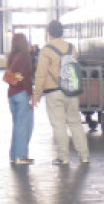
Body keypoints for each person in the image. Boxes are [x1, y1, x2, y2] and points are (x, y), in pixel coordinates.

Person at [30, 20, 90, 165]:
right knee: (75, 123)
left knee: (59, 125)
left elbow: (41, 75)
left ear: (49, 33)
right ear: (62, 32)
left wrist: (36, 96)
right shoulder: (71, 48)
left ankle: (63, 157)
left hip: (53, 92)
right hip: (71, 90)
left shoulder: (46, 50)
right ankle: (84, 155)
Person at [6, 33, 35, 165]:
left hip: (12, 94)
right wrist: (31, 94)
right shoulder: (24, 57)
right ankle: (21, 156)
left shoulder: (12, 57)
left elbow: (10, 76)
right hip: (22, 94)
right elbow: (25, 78)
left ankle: (14, 155)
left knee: (18, 126)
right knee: (24, 126)